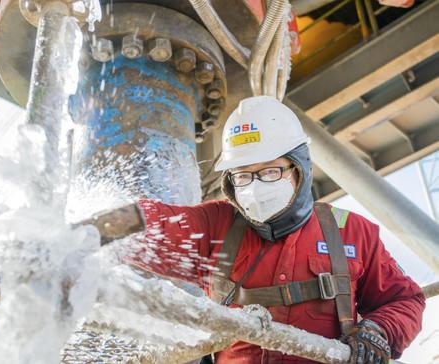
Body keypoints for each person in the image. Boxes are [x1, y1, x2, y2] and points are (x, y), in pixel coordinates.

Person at [128, 96, 425, 364]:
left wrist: (379, 329)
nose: (255, 188)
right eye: (243, 175)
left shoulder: (353, 233)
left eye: (270, 171)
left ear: (299, 168)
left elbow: (404, 299)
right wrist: (107, 225)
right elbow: (157, 225)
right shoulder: (216, 225)